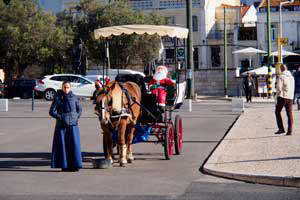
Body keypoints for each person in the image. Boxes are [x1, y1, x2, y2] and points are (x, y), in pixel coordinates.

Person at [49, 81, 83, 172]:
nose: (66, 89)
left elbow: (79, 109)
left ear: (70, 88)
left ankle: (75, 165)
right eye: (64, 87)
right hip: (61, 126)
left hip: (73, 125)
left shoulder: (74, 97)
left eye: (68, 87)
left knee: (74, 145)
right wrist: (61, 117)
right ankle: (64, 166)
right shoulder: (58, 98)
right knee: (63, 146)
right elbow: (52, 111)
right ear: (62, 87)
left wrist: (75, 117)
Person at [275, 64, 295, 136]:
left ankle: (281, 129)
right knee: (289, 113)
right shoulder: (292, 77)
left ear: (281, 69)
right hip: (290, 97)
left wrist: (277, 96)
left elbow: (279, 88)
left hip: (282, 96)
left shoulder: (281, 77)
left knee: (277, 112)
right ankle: (290, 131)